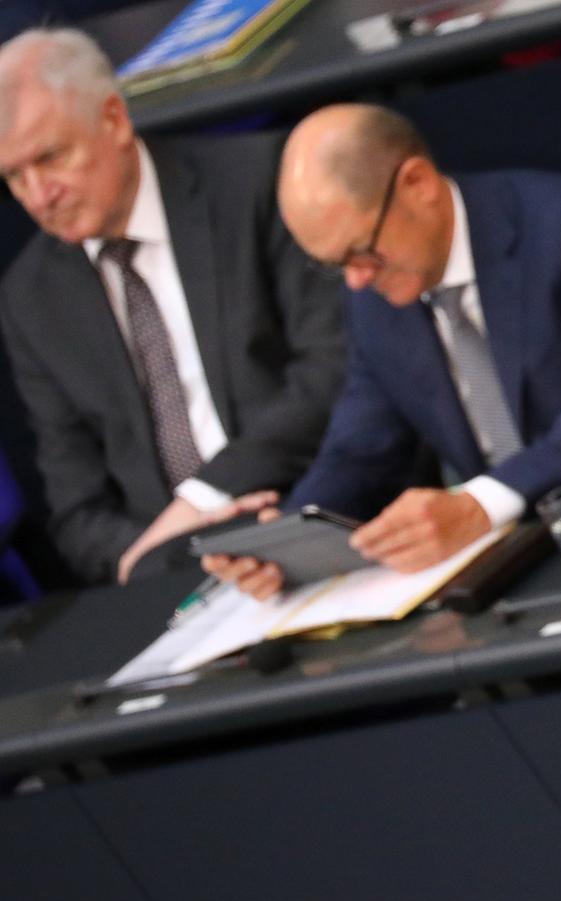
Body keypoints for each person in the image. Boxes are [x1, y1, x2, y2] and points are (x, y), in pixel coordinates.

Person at [209, 104, 561, 599]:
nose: (354, 280)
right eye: (334, 265)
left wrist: (479, 504)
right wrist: (289, 540)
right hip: (528, 549)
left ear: (417, 183)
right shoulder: (375, 296)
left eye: (360, 252)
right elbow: (361, 446)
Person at [0, 28, 346, 585]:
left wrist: (206, 500)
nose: (39, 196)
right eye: (14, 176)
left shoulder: (258, 184)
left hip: (314, 505)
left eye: (51, 157)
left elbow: (332, 375)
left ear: (114, 120)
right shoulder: (31, 296)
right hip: (174, 573)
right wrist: (165, 555)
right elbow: (76, 507)